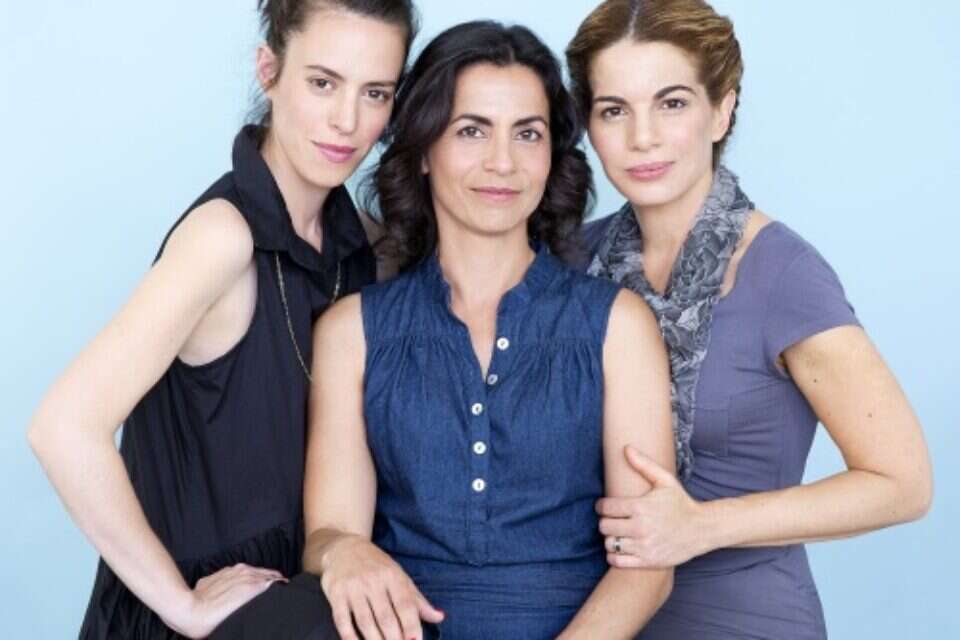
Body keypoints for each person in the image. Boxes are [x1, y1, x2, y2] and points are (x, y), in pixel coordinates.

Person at [214, 20, 675, 640]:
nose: (502, 162)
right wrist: (343, 551)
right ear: (424, 150)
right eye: (471, 130)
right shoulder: (353, 332)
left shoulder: (618, 325)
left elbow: (648, 565)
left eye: (528, 134)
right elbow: (329, 532)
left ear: (552, 156)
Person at [26, 1, 417, 637]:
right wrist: (181, 604)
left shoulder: (363, 247)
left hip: (296, 610)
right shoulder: (223, 239)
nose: (347, 121)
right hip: (191, 618)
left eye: (375, 93)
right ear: (269, 70)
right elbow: (62, 427)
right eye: (323, 83)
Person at [565, 1, 934, 638]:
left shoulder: (783, 274)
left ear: (722, 110)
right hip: (593, 617)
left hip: (745, 620)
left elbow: (903, 483)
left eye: (672, 103)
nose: (642, 137)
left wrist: (703, 525)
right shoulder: (573, 259)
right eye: (614, 110)